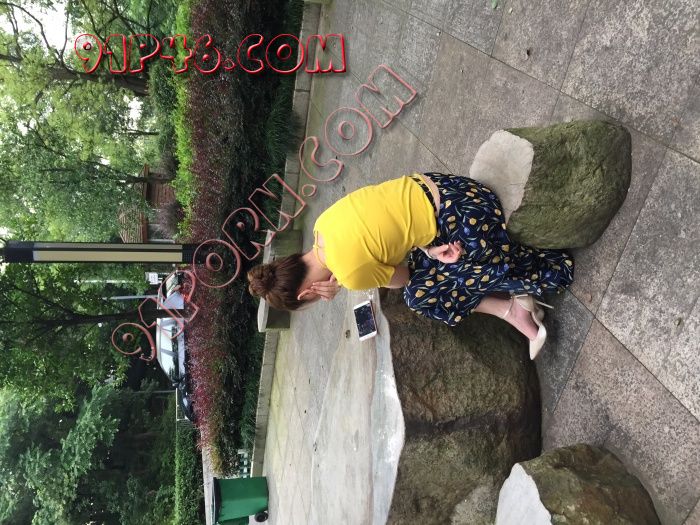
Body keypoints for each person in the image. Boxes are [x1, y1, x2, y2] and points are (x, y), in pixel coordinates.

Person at [247, 172, 574, 359]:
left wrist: (346, 282)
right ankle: (514, 310)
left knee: (422, 296)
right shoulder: (322, 225)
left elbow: (405, 276)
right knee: (432, 279)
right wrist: (429, 250)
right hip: (444, 188)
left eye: (310, 303)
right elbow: (392, 218)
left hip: (466, 212)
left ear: (305, 294)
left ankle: (516, 305)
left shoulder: (349, 273)